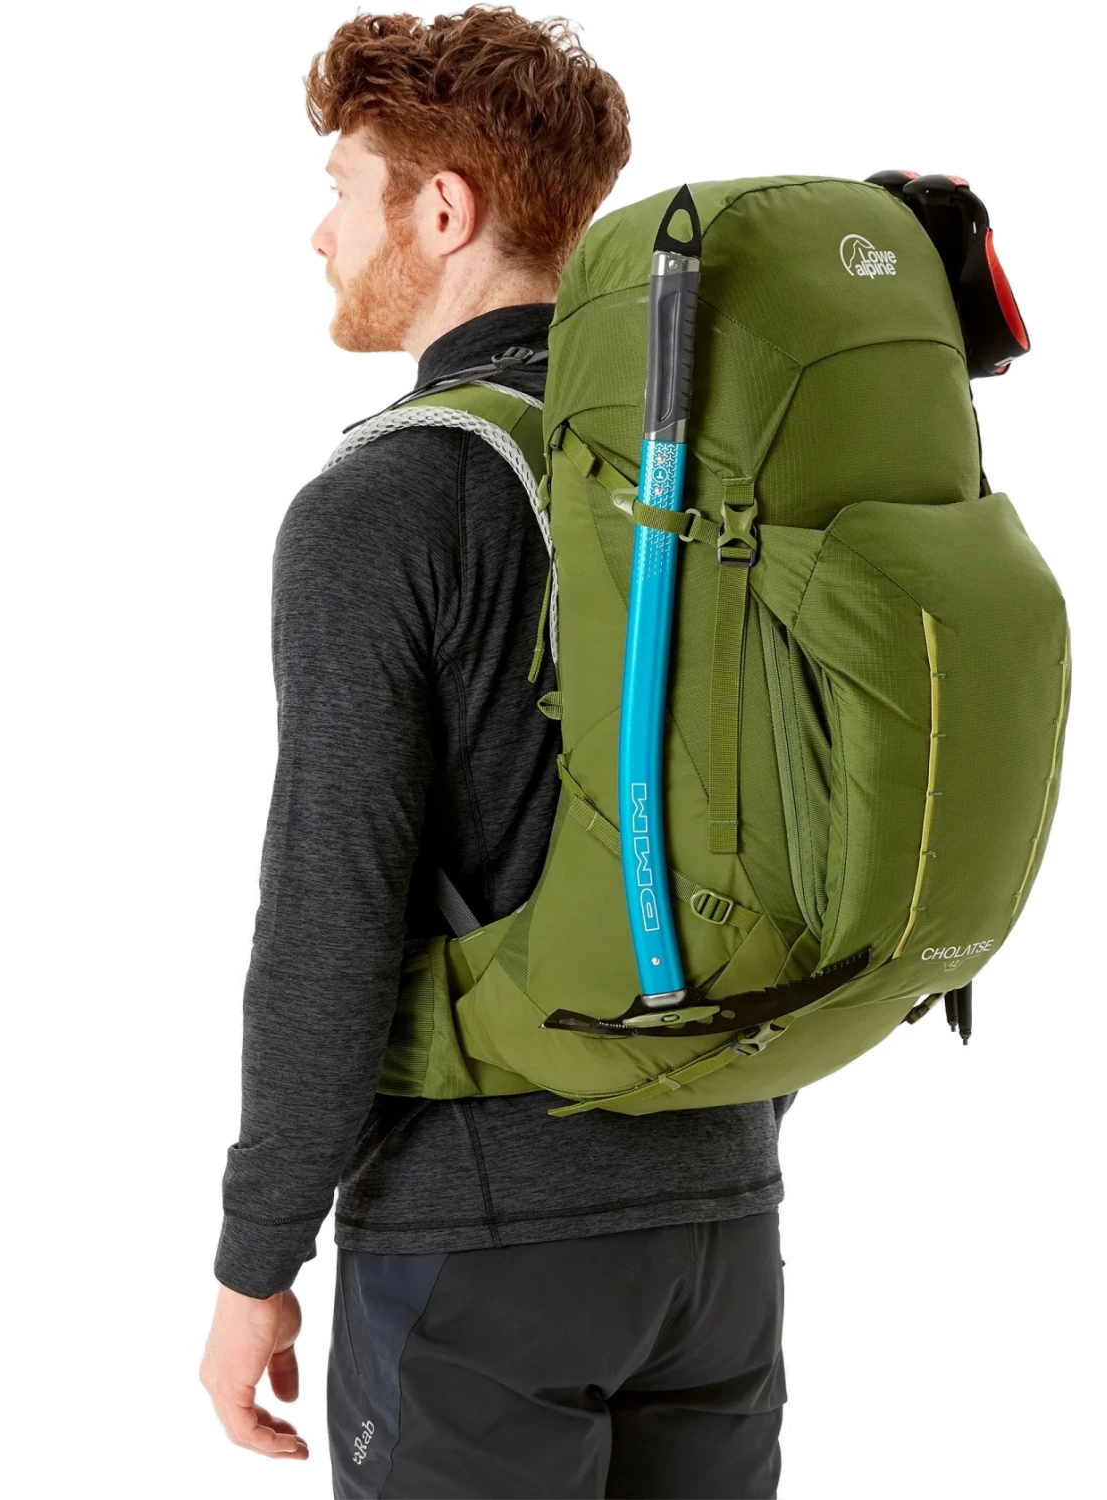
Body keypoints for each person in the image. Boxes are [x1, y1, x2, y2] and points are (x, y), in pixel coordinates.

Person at [198, 10, 794, 1498]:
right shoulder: (711, 480)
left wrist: (257, 1257)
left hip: (479, 1249)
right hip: (721, 1224)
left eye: (345, 191)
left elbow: (331, 911)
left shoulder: (383, 506)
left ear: (443, 211)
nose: (320, 234)